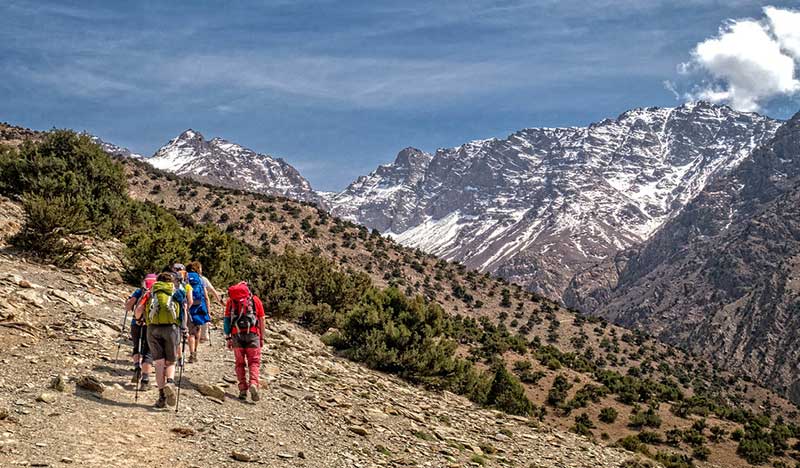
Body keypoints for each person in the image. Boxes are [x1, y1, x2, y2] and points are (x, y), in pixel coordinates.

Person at [135, 272, 188, 409]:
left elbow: (138, 310)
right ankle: (170, 381)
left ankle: (161, 397)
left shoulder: (151, 292)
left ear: (158, 281)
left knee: (158, 363)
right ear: (171, 281)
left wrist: (138, 320)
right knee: (170, 361)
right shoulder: (176, 292)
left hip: (152, 329)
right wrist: (184, 328)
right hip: (171, 328)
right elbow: (184, 309)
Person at [223, 281, 266, 402]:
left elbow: (226, 321)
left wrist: (228, 337)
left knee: (239, 363)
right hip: (253, 334)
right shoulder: (255, 300)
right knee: (254, 362)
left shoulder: (231, 302)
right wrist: (262, 337)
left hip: (236, 335)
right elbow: (262, 319)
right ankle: (253, 383)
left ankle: (242, 389)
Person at [124, 273, 157, 390]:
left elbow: (128, 307)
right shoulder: (157, 293)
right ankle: (145, 380)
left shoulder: (139, 292)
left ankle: (137, 368)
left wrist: (128, 303)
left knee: (136, 347)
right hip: (151, 325)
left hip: (136, 324)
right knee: (148, 352)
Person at [185, 262, 211, 363]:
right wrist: (208, 311)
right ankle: (195, 351)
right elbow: (206, 296)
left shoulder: (185, 277)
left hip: (188, 307)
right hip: (200, 307)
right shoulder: (201, 279)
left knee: (190, 332)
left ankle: (191, 354)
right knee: (197, 329)